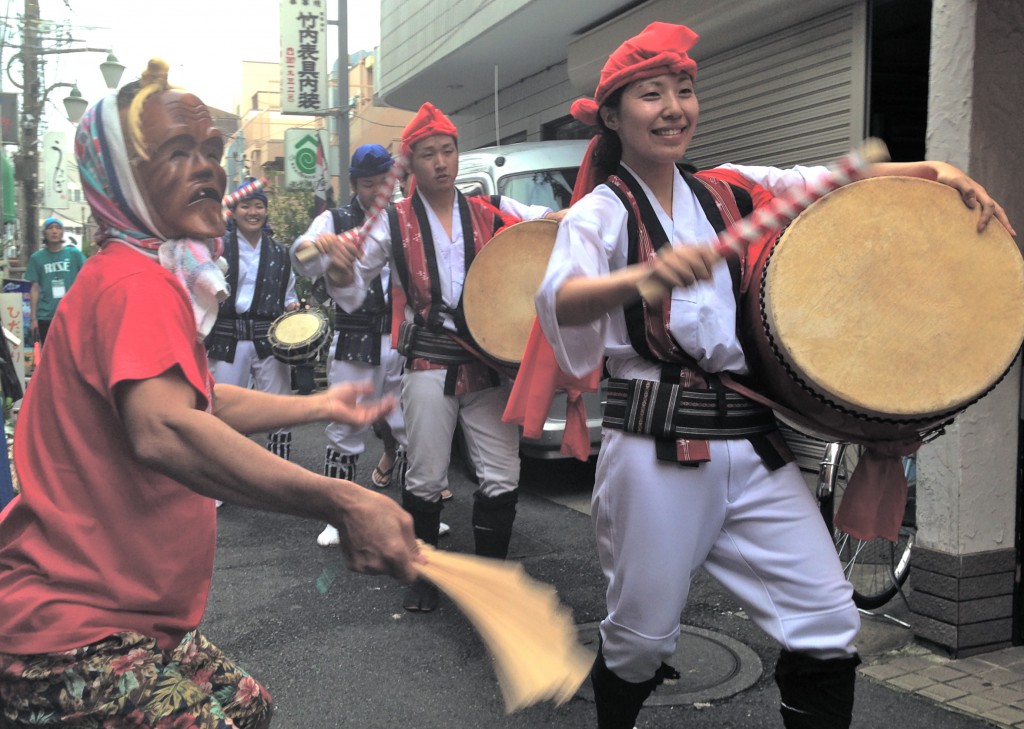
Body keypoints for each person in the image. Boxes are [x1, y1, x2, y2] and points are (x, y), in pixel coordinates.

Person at [531, 22, 1014, 729]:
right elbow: (559, 301)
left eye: (685, 90)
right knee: (640, 641)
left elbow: (817, 182)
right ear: (613, 115)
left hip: (755, 446)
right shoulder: (599, 213)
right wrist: (641, 276)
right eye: (652, 94)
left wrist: (934, 172)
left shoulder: (725, 190)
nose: (674, 107)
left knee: (825, 621)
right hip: (657, 448)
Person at [0, 60, 418, 729]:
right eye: (176, 152)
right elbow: (165, 430)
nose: (209, 169)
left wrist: (317, 405)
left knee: (249, 708)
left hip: (131, 617)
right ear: (120, 178)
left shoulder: (140, 273)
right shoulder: (133, 283)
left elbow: (199, 404)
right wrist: (338, 497)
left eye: (211, 151)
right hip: (76, 634)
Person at [297, 102, 559, 613]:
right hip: (428, 361)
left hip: (488, 362)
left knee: (503, 474)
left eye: (448, 151)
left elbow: (544, 225)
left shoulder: (490, 210)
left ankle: (492, 581)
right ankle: (423, 578)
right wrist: (337, 264)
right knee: (425, 474)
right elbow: (351, 283)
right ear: (410, 165)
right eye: (427, 154)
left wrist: (567, 215)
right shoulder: (391, 222)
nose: (440, 162)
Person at [293, 144, 416, 547]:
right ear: (353, 184)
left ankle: (411, 515)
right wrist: (323, 246)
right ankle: (337, 516)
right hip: (354, 335)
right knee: (346, 425)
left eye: (385, 181)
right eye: (368, 184)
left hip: (401, 336)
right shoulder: (334, 218)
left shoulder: (404, 216)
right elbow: (303, 256)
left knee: (409, 426)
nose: (377, 190)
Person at [206, 178, 299, 462]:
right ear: (233, 211)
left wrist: (294, 308)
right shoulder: (216, 248)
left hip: (268, 337)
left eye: (259, 206)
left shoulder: (281, 253)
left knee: (279, 408)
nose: (253, 212)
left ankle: (280, 471)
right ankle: (224, 477)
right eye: (246, 206)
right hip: (226, 335)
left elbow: (288, 294)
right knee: (223, 408)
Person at [26, 217, 86, 346]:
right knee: (49, 354)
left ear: (62, 232)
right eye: (50, 228)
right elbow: (34, 289)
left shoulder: (74, 254)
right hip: (46, 315)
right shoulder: (37, 258)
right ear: (45, 233)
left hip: (71, 313)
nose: (54, 231)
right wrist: (33, 319)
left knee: (72, 352)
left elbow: (87, 278)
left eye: (58, 228)